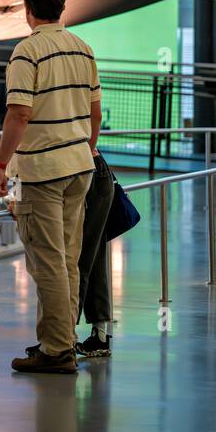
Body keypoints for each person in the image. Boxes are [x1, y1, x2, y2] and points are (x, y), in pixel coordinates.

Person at [0, 0, 101, 374]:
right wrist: (85, 149)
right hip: (79, 168)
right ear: (63, 7)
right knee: (68, 259)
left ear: (28, 8)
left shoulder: (27, 52)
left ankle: (57, 351)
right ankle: (61, 340)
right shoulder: (83, 49)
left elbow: (19, 111)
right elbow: (95, 112)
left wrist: (0, 164)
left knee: (48, 261)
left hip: (44, 172)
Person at [76, 146, 115, 357]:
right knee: (93, 255)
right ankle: (99, 335)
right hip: (95, 168)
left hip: (80, 169)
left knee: (78, 259)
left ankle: (62, 338)